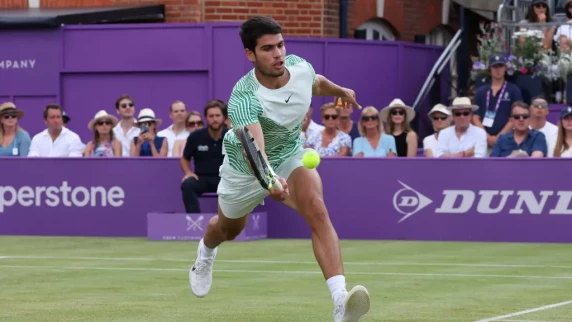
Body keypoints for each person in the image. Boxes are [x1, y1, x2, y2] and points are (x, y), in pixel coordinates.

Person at [188, 16, 371, 322]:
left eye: (281, 45)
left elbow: (316, 82)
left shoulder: (298, 66)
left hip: (289, 154)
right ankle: (205, 254)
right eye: (268, 48)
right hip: (245, 168)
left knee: (316, 208)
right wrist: (270, 180)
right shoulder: (244, 97)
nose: (278, 54)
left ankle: (341, 300)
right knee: (227, 230)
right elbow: (254, 149)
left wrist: (340, 91)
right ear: (250, 54)